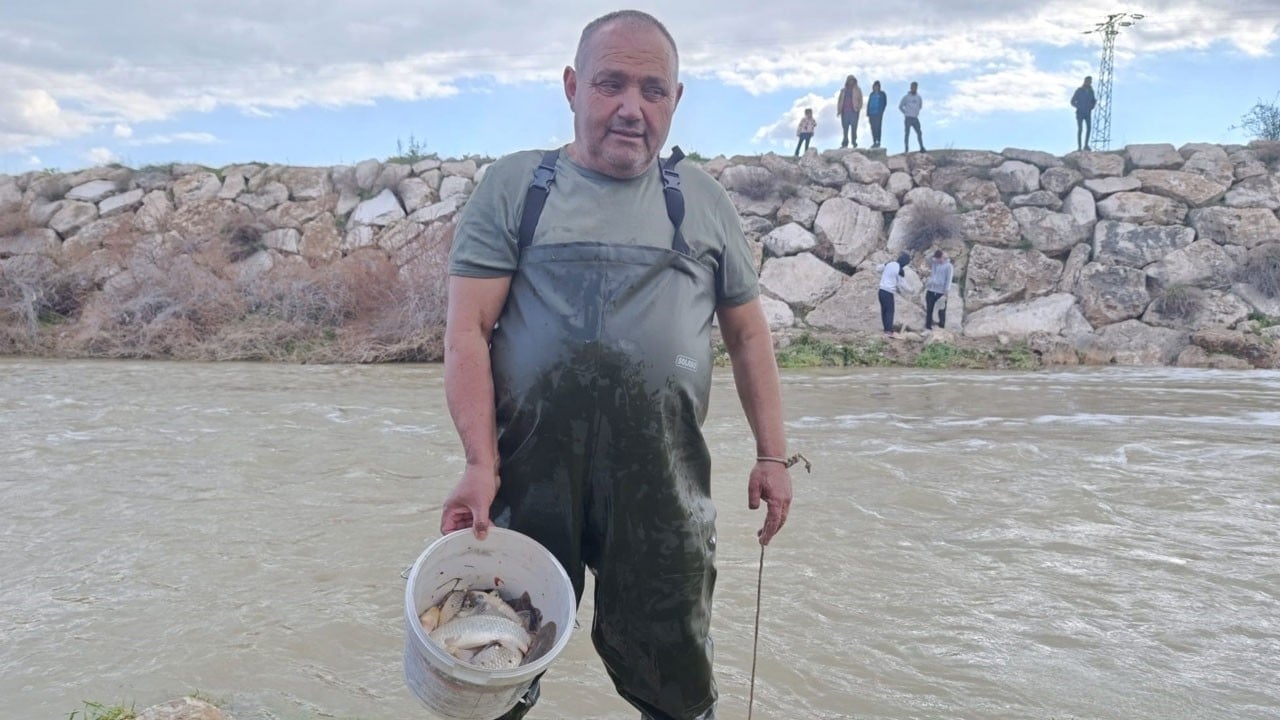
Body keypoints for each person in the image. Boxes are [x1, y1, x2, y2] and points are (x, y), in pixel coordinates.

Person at [440, 10, 793, 720]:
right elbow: (468, 333)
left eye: (652, 90)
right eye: (610, 85)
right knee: (491, 663)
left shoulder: (703, 200)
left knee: (676, 681)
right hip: (530, 481)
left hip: (662, 486)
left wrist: (773, 456)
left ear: (676, 100)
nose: (632, 108)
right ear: (572, 87)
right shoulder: (515, 189)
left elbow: (750, 336)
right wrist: (479, 464)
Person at [878, 252, 911, 335]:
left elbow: (878, 268)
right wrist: (911, 290)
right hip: (888, 292)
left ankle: (886, 329)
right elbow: (902, 284)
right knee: (890, 311)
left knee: (884, 311)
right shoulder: (899, 269)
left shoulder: (890, 263)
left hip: (881, 290)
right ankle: (889, 331)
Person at [924, 249, 952, 330]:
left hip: (941, 291)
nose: (938, 260)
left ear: (942, 258)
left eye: (939, 259)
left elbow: (948, 279)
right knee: (929, 309)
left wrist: (946, 291)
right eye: (937, 259)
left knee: (941, 310)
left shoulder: (948, 266)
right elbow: (928, 258)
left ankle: (941, 327)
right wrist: (934, 253)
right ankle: (928, 327)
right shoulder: (934, 263)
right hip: (931, 289)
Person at [836, 75, 863, 148]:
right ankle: (845, 142)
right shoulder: (843, 90)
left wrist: (858, 108)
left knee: (854, 128)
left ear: (854, 81)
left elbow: (860, 100)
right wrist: (839, 110)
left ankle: (854, 142)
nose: (851, 81)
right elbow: (839, 101)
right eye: (850, 80)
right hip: (844, 111)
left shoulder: (858, 90)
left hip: (854, 111)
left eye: (852, 80)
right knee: (845, 128)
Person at [1071, 76, 1097, 151]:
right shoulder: (1079, 90)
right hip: (1080, 113)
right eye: (1088, 81)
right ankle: (1079, 146)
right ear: (1085, 81)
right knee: (1080, 129)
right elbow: (1072, 101)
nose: (1089, 83)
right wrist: (1078, 106)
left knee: (1088, 128)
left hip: (1087, 113)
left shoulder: (1091, 91)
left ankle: (1086, 145)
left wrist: (1092, 106)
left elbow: (1093, 100)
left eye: (1090, 81)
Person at [899, 81, 925, 153]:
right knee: (907, 133)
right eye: (913, 87)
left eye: (915, 87)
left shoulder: (919, 97)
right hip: (908, 118)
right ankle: (906, 149)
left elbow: (920, 106)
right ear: (911, 87)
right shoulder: (906, 97)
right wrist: (905, 112)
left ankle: (921, 147)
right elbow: (900, 106)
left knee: (919, 133)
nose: (914, 88)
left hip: (915, 118)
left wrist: (916, 112)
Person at [866, 80, 887, 149]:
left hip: (878, 113)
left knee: (878, 127)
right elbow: (869, 103)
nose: (875, 87)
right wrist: (868, 112)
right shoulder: (871, 94)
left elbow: (884, 103)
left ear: (879, 87)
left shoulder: (882, 94)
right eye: (874, 86)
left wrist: (881, 111)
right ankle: (874, 141)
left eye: (877, 86)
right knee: (873, 128)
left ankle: (878, 141)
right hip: (871, 113)